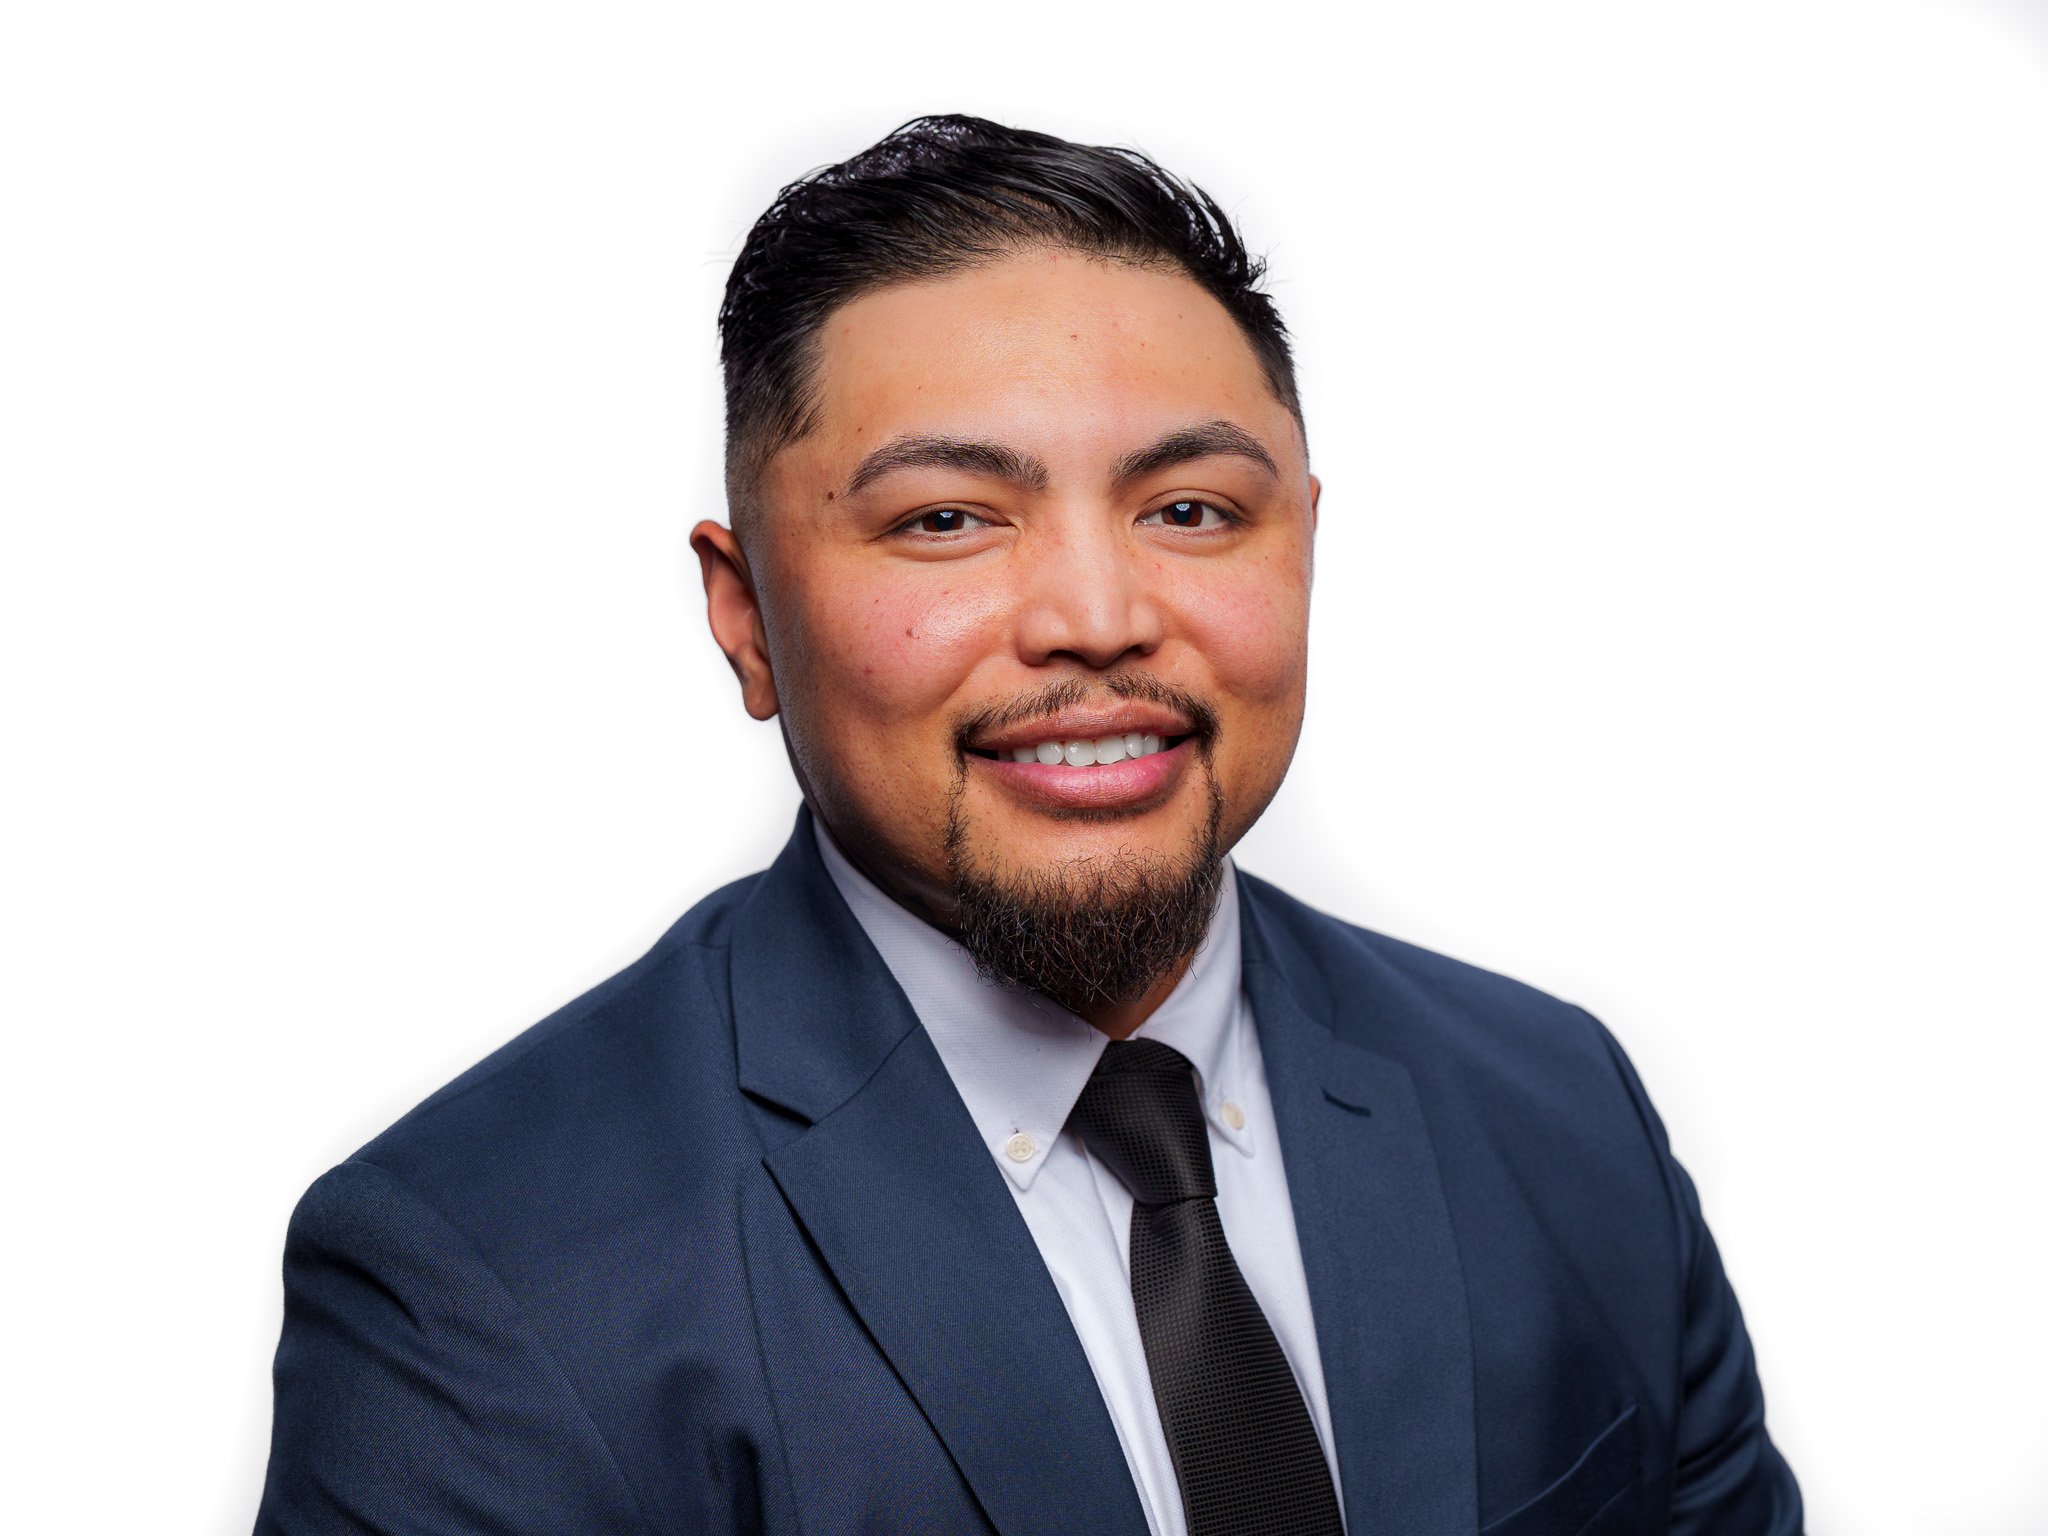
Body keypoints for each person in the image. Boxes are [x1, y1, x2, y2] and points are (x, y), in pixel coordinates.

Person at [254, 115, 1803, 1536]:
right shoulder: (478, 1283)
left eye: (1191, 510)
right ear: (746, 618)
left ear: (1306, 547)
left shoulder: (1561, 1112)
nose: (1097, 614)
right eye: (946, 519)